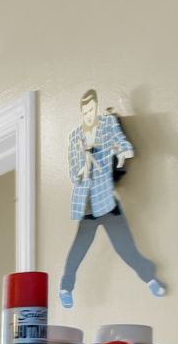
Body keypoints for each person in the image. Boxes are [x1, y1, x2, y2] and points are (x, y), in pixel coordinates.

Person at [58, 88, 164, 310]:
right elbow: (75, 173)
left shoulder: (106, 126)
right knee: (79, 248)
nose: (89, 115)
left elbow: (124, 147)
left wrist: (121, 154)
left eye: (92, 110)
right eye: (85, 111)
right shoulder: (75, 137)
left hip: (106, 201)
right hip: (89, 206)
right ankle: (66, 288)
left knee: (125, 247)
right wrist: (87, 161)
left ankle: (150, 279)